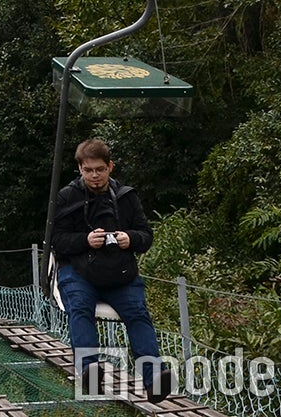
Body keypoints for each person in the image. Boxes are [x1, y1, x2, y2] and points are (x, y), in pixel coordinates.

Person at [50, 138, 172, 400]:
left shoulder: (127, 197)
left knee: (138, 314)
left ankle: (155, 379)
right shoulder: (66, 197)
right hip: (79, 270)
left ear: (110, 167)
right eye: (89, 170)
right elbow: (56, 242)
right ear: (80, 169)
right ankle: (89, 369)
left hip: (120, 273)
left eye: (100, 170)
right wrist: (85, 240)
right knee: (80, 309)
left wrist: (130, 238)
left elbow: (146, 236)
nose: (95, 176)